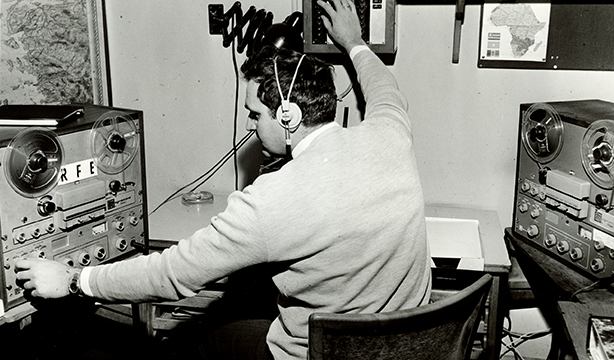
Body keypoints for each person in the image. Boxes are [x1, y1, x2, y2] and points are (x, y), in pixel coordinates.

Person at [15, 0, 432, 359]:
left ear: (288, 115)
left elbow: (173, 274)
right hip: (405, 346)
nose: (251, 126)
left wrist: (72, 280)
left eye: (255, 114)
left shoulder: (270, 200)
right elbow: (384, 88)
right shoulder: (391, 134)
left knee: (201, 340)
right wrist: (354, 42)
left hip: (319, 355)